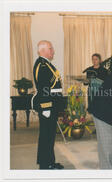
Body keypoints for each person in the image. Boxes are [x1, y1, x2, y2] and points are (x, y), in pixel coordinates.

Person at [32, 40, 64, 169]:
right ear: (43, 50)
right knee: (46, 135)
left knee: (50, 135)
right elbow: (43, 86)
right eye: (50, 48)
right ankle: (45, 164)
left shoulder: (46, 64)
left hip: (52, 105)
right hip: (48, 106)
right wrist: (46, 107)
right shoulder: (41, 65)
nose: (53, 51)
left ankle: (49, 161)